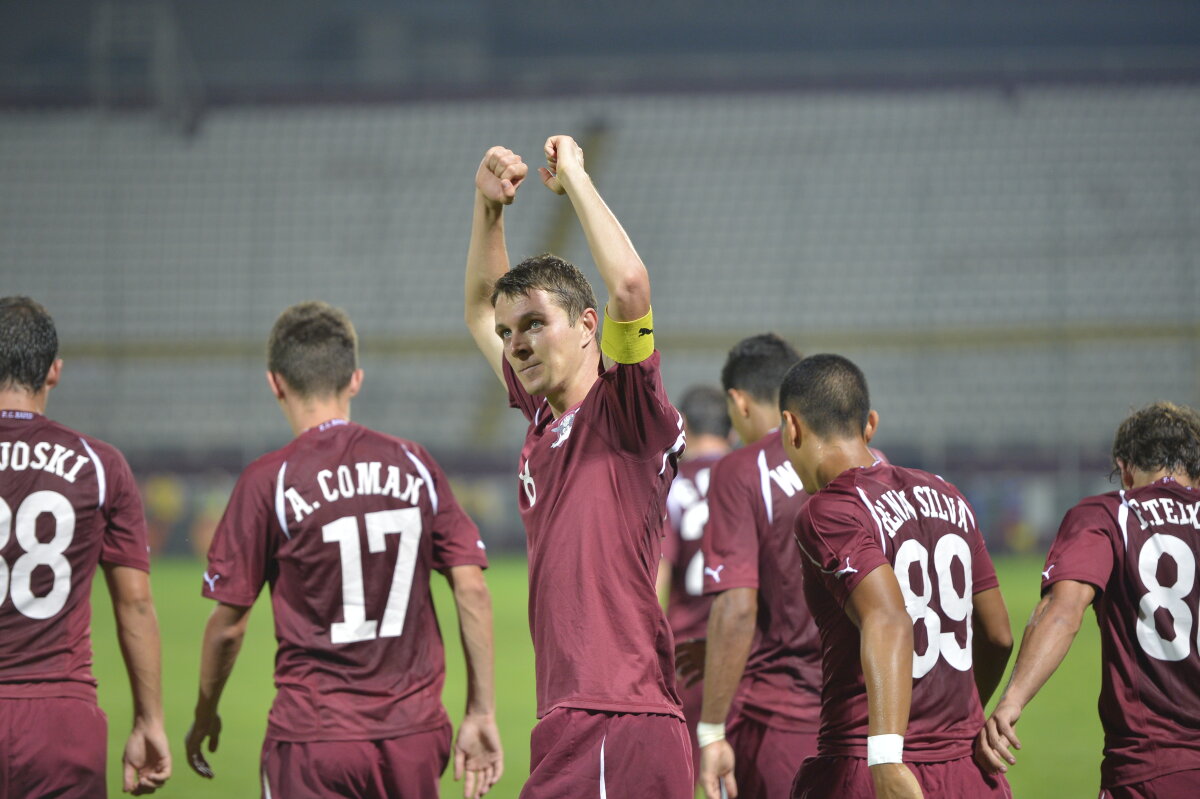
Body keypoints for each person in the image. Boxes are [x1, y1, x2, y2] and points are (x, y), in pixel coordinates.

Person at [185, 301, 501, 799]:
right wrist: (481, 711)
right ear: (355, 379)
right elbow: (472, 589)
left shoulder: (270, 480)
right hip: (413, 735)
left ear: (275, 383)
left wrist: (204, 715)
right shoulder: (414, 463)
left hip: (315, 740)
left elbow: (229, 626)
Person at [464, 137, 691, 797]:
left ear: (589, 325)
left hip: (614, 717)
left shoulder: (627, 415)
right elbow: (482, 308)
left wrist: (579, 180)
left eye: (535, 323)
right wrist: (487, 210)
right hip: (582, 717)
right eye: (511, 335)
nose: (517, 343)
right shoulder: (541, 420)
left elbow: (629, 285)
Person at [780, 353, 1013, 799]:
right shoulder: (947, 493)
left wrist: (886, 756)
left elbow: (887, 619)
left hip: (871, 767)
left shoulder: (829, 510)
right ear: (870, 423)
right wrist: (961, 723)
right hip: (970, 771)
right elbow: (998, 634)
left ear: (791, 427)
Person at [976, 401, 1200, 799]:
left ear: (1126, 468)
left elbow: (1062, 611)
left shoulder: (1108, 514)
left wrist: (1012, 701)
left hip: (1151, 769)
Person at [0, 295, 171, 797]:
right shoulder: (100, 466)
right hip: (60, 720)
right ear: (54, 371)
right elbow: (135, 602)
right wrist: (149, 719)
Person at [674, 334, 821, 799]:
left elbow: (738, 606)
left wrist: (712, 729)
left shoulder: (741, 470)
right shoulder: (867, 462)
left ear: (738, 402)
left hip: (776, 715)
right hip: (868, 716)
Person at [657, 384, 734, 781]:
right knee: (733, 779)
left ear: (683, 427)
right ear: (732, 429)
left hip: (684, 659)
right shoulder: (749, 480)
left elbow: (658, 578)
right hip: (741, 654)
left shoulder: (672, 484)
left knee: (681, 779)